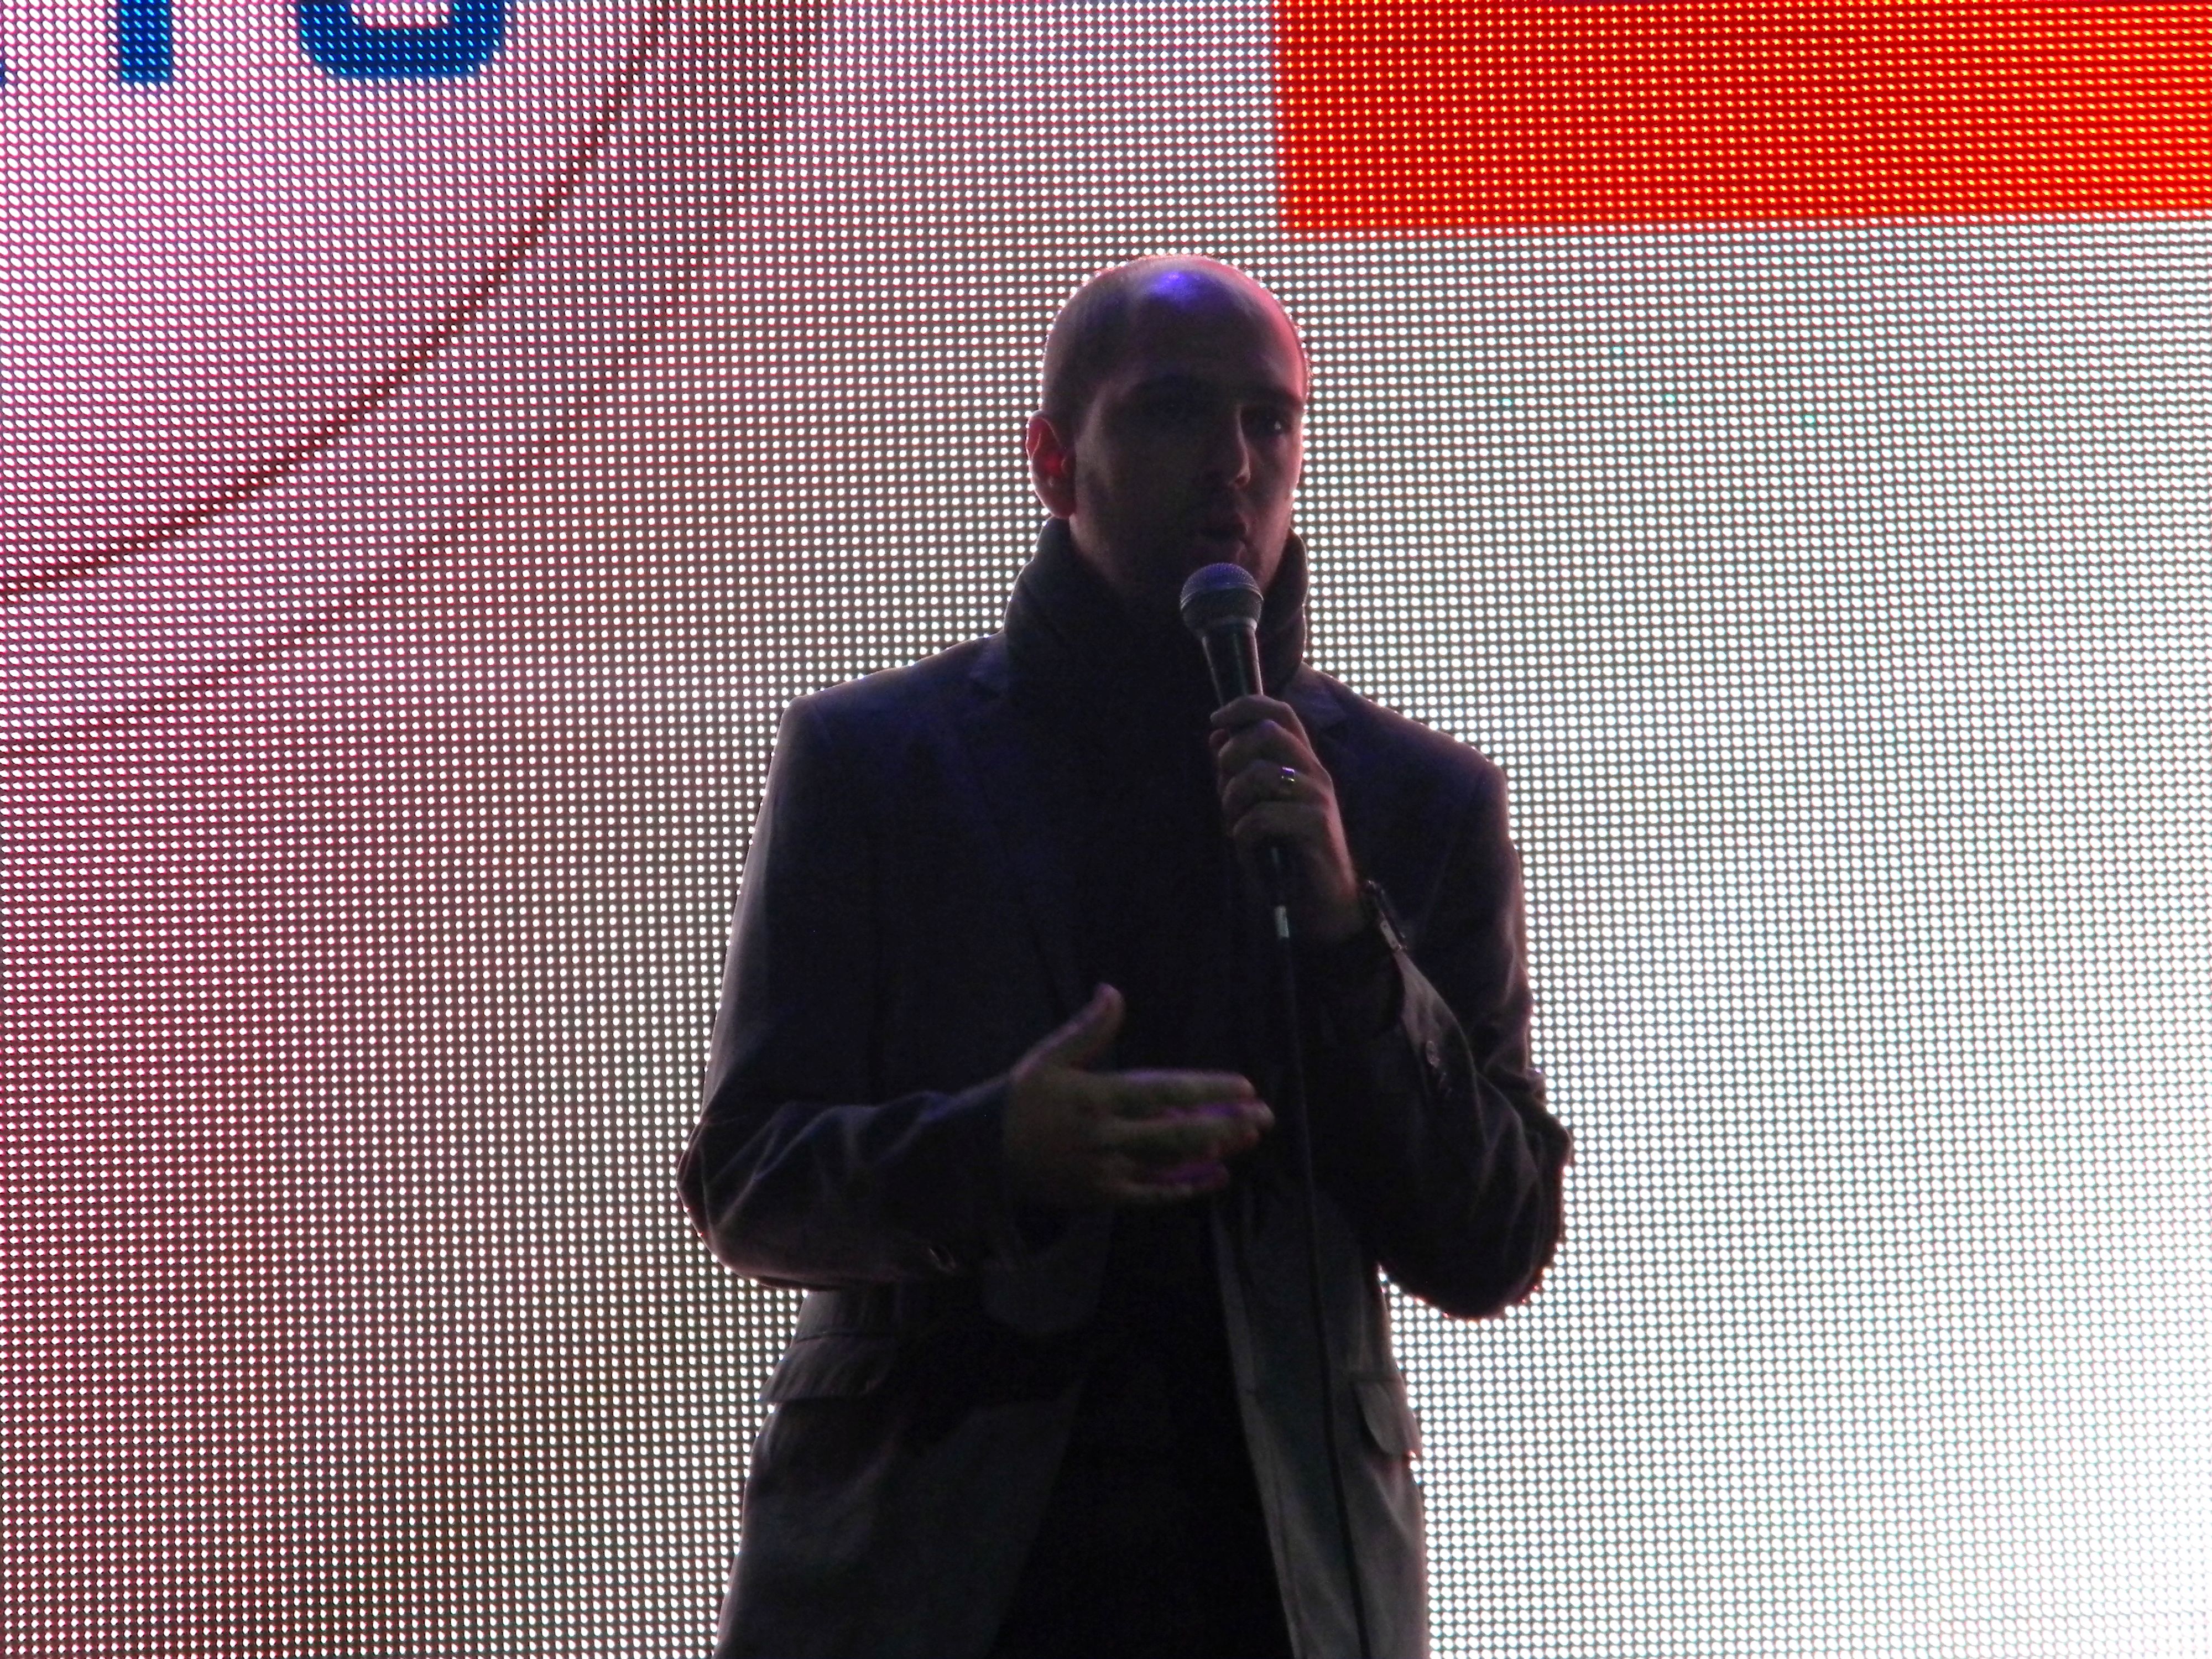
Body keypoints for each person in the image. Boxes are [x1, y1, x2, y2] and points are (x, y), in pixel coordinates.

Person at [677, 255, 1571, 1659]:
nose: (1233, 461)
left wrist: (1351, 943)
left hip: (1275, 1585)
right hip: (927, 1575)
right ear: (1055, 461)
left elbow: (1492, 1240)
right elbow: (750, 1181)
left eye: (1269, 421)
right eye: (1172, 410)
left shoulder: (1412, 805)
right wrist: (998, 1151)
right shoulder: (876, 767)